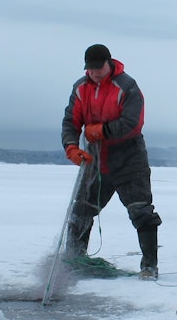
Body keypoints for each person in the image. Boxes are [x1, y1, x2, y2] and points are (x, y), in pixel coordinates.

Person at [61, 44, 161, 279]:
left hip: (129, 158)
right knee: (80, 213)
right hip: (95, 161)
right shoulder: (80, 88)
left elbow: (133, 123)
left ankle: (149, 266)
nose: (95, 73)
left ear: (109, 63)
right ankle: (73, 262)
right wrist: (72, 147)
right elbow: (70, 121)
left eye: (99, 68)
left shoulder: (127, 86)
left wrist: (102, 131)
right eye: (91, 69)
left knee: (141, 212)